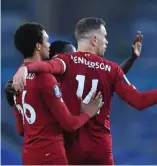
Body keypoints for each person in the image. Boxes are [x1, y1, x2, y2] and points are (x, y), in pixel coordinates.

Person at [12, 17, 157, 165]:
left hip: (70, 149)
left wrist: (25, 68)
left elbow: (46, 67)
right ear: (94, 39)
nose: (106, 41)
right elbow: (140, 101)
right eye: (105, 36)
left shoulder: (64, 61)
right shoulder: (111, 70)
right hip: (100, 150)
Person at [12, 22, 103, 165]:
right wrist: (88, 113)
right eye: (47, 41)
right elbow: (69, 124)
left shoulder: (16, 81)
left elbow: (21, 129)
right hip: (51, 155)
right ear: (38, 46)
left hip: (28, 156)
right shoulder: (46, 79)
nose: (49, 45)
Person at [5, 39, 140, 107]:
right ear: (57, 57)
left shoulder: (79, 78)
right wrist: (9, 92)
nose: (76, 59)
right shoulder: (38, 79)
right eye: (71, 55)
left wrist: (132, 58)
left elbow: (111, 75)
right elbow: (18, 102)